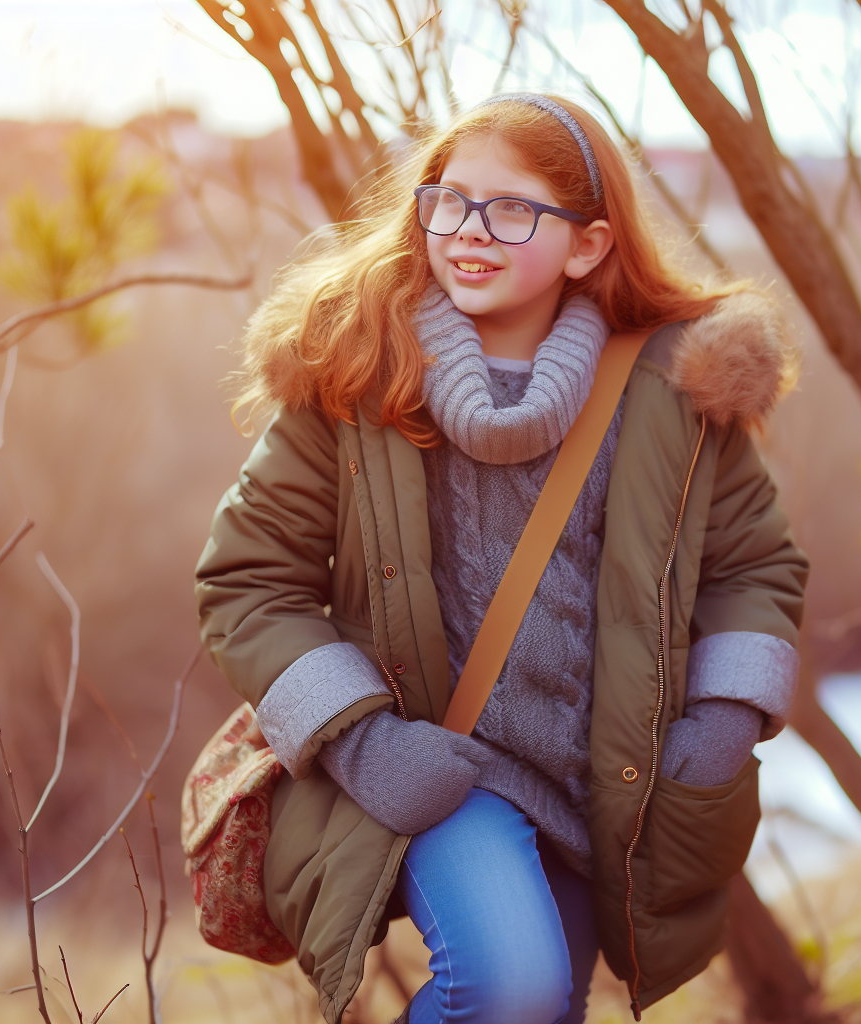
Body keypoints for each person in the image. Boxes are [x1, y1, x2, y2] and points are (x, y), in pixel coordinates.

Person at [196, 92, 807, 1024]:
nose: (469, 232)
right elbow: (249, 578)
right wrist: (364, 742)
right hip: (434, 772)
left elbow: (754, 569)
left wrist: (723, 719)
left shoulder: (676, 393)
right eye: (449, 199)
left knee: (549, 1009)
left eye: (513, 210)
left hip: (593, 784)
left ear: (589, 245)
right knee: (512, 991)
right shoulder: (359, 371)